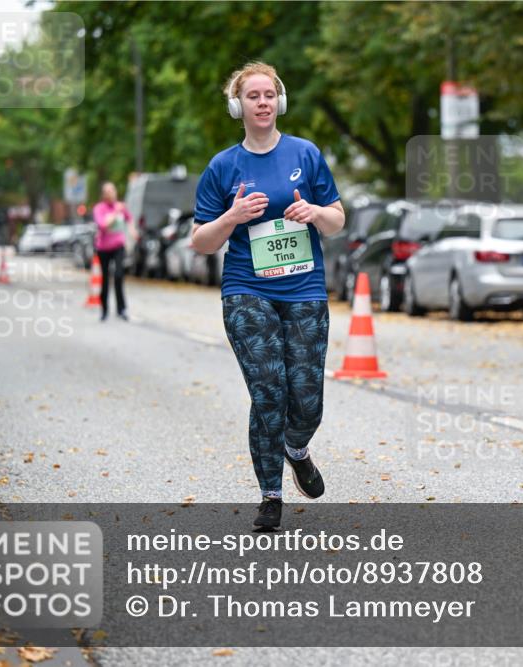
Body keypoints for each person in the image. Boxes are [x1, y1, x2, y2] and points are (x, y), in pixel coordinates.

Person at [191, 62, 344, 530]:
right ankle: (270, 495)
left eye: (268, 94)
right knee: (269, 392)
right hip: (246, 290)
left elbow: (338, 221)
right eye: (252, 95)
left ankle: (296, 450)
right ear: (238, 107)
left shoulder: (306, 153)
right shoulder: (223, 166)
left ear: (279, 102)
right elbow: (200, 242)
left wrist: (315, 212)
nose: (262, 102)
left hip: (304, 289)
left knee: (307, 399)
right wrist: (232, 216)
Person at [92, 182, 132, 321]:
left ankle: (122, 309)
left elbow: (129, 219)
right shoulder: (99, 209)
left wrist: (133, 231)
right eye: (107, 191)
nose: (110, 193)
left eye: (112, 190)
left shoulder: (121, 206)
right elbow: (103, 225)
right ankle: (104, 310)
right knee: (105, 279)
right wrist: (116, 212)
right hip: (103, 248)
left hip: (118, 246)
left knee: (119, 275)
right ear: (103, 195)